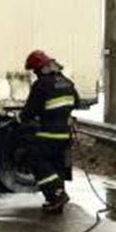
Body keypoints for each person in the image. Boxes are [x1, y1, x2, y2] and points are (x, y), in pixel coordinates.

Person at [18, 49, 80, 214]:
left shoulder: (41, 84)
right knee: (57, 165)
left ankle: (57, 194)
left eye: (35, 70)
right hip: (65, 134)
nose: (35, 74)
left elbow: (30, 111)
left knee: (36, 160)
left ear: (40, 69)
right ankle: (56, 201)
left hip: (48, 134)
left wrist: (21, 118)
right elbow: (76, 102)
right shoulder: (67, 82)